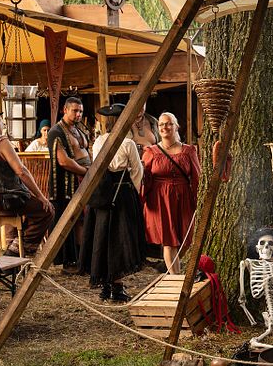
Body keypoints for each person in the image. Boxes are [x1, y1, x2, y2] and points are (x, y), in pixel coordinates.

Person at [0, 106, 55, 256]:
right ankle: (16, 251)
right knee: (46, 210)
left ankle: (13, 245)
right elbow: (21, 171)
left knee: (18, 210)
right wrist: (41, 196)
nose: (2, 126)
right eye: (2, 122)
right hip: (4, 199)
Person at [80, 103, 146, 302]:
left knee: (103, 238)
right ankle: (116, 286)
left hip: (102, 194)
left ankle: (107, 284)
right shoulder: (128, 144)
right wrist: (134, 193)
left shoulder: (98, 142)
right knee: (119, 240)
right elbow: (137, 172)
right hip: (122, 195)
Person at [141, 111, 200, 273]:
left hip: (184, 198)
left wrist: (198, 200)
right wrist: (142, 199)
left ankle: (171, 269)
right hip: (160, 199)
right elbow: (144, 178)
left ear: (176, 127)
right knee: (169, 241)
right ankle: (175, 278)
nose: (164, 127)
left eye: (168, 123)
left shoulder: (189, 150)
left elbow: (197, 177)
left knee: (187, 239)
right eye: (161, 124)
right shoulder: (151, 151)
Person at [47, 96, 91, 270]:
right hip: (66, 184)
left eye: (80, 111)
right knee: (66, 220)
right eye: (75, 110)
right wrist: (86, 172)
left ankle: (81, 257)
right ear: (65, 110)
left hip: (82, 180)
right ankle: (68, 260)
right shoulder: (56, 132)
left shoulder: (78, 129)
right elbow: (63, 161)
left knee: (81, 219)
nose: (78, 114)